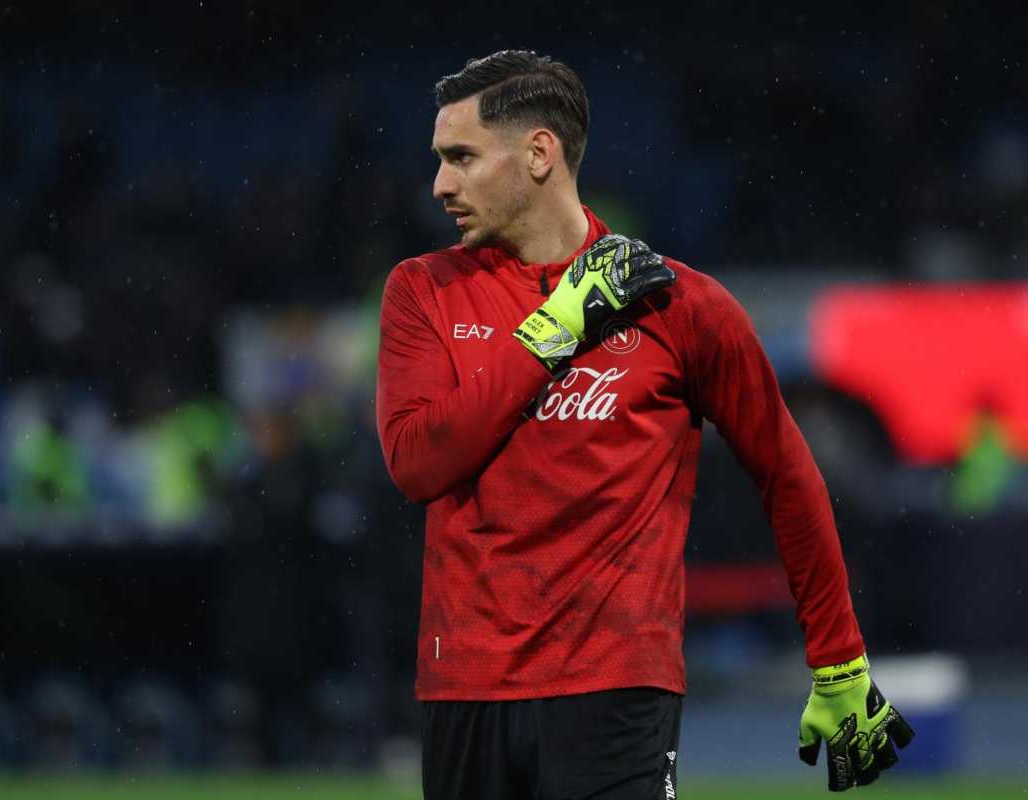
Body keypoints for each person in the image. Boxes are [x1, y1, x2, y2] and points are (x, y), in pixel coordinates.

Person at [375, 49, 913, 799]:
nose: (440, 184)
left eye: (461, 157)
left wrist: (840, 658)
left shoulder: (683, 307)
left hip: (617, 686)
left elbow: (788, 478)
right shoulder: (422, 291)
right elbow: (417, 466)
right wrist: (554, 331)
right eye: (440, 159)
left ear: (539, 154)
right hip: (463, 684)